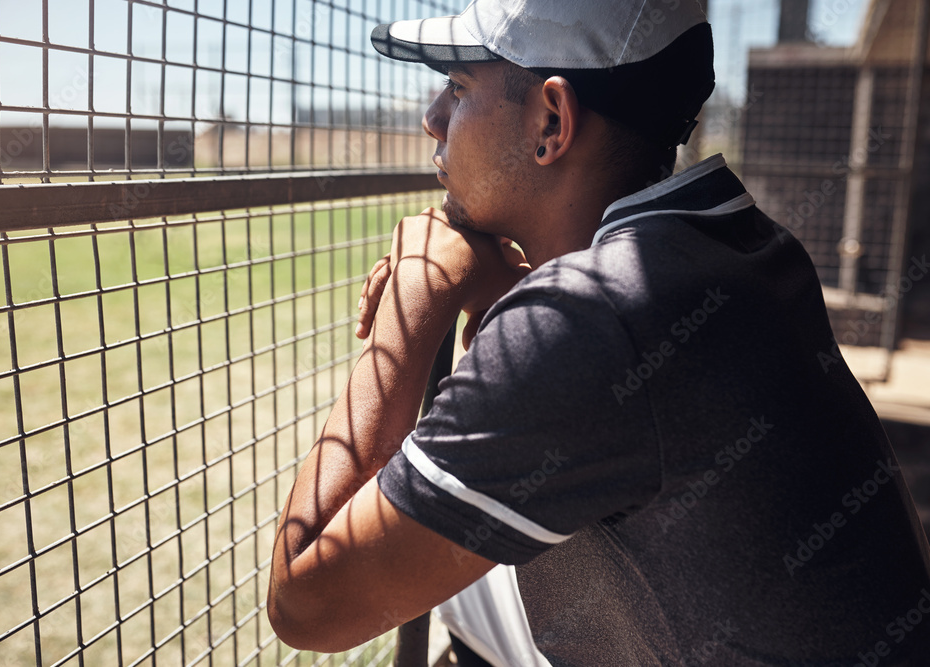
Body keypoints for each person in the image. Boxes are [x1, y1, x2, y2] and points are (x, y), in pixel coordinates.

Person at [267, 1, 930, 663]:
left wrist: (413, 307)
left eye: (460, 87)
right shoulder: (744, 244)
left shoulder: (592, 317)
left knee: (455, 577)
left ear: (551, 121)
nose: (432, 117)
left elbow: (305, 603)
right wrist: (510, 294)